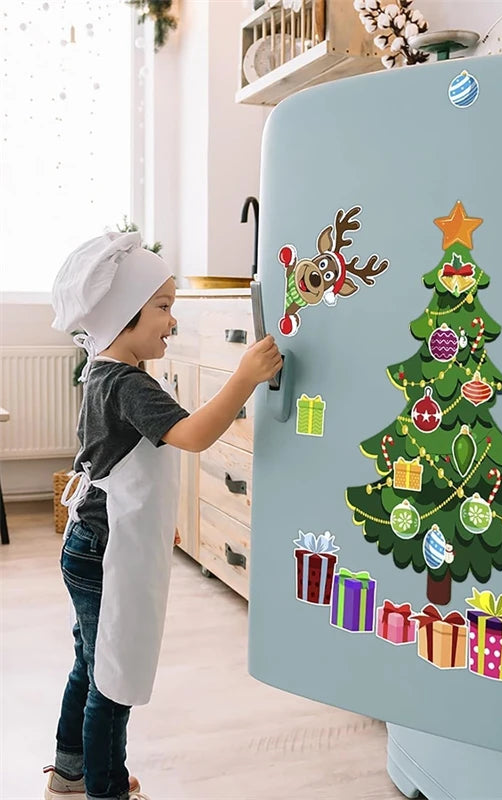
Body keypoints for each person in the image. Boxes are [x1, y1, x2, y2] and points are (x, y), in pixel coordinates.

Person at [43, 231, 282, 800]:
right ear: (126, 313)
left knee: (91, 660)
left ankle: (74, 769)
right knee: (114, 677)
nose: (173, 321)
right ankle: (105, 787)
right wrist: (244, 375)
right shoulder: (128, 385)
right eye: (164, 307)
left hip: (89, 542)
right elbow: (194, 436)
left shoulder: (102, 369)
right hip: (106, 550)